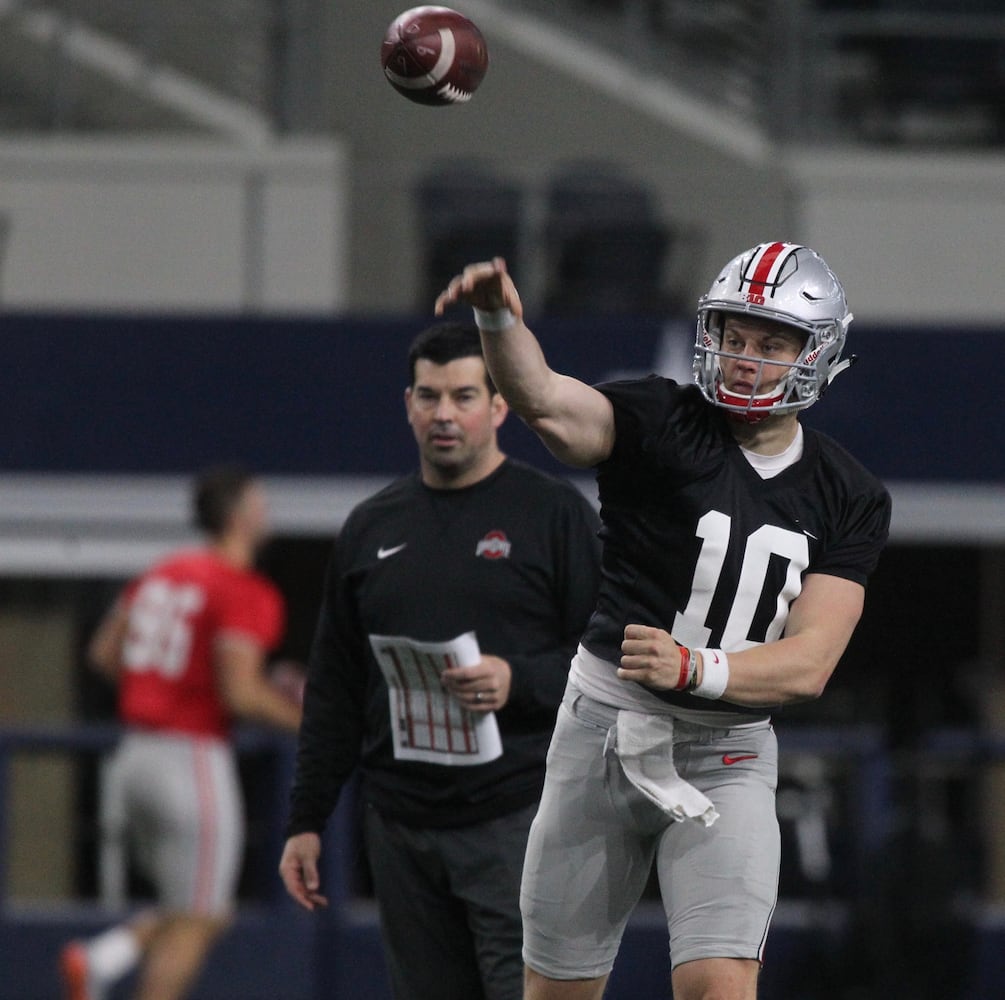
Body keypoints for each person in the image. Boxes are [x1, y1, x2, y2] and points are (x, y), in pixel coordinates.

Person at [433, 243, 892, 1000]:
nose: (745, 359)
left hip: (728, 750)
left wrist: (697, 668)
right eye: (734, 336)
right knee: (557, 992)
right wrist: (495, 319)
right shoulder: (660, 419)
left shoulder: (848, 494)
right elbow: (546, 401)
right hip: (603, 729)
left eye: (771, 343)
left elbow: (810, 661)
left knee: (720, 984)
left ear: (818, 354)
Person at [278, 322, 602, 1000]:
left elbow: (612, 658)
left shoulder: (552, 515)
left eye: (462, 395)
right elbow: (335, 685)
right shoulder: (371, 526)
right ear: (407, 404)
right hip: (401, 826)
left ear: (499, 406)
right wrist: (306, 819)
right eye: (429, 397)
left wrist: (519, 680)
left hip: (518, 816)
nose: (444, 414)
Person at [60, 465, 302, 1000]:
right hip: (189, 759)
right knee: (197, 918)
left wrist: (166, 684)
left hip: (132, 757)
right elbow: (241, 694)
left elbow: (104, 653)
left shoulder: (165, 570)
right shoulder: (241, 587)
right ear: (240, 516)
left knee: (196, 907)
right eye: (261, 504)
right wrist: (316, 726)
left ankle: (103, 957)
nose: (269, 514)